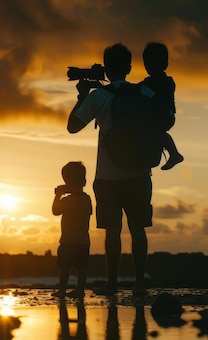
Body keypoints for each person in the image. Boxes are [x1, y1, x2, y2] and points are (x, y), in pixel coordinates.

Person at [67, 43, 151, 297]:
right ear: (129, 67)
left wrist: (82, 95)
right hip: (139, 173)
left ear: (106, 67)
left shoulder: (98, 97)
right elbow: (165, 118)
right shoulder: (143, 92)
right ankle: (139, 284)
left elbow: (72, 126)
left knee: (113, 231)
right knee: (138, 229)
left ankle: (112, 283)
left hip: (107, 176)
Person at [51, 161, 93, 299]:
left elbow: (55, 211)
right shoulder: (87, 199)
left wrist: (58, 195)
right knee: (82, 267)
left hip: (68, 241)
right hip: (83, 241)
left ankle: (62, 290)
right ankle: (80, 289)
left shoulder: (68, 200)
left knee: (65, 267)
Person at [140, 41, 184, 170]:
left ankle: (174, 154)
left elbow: (140, 90)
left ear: (146, 65)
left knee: (157, 132)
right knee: (160, 133)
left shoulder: (150, 83)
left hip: (162, 116)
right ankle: (174, 154)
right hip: (167, 116)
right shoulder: (169, 81)